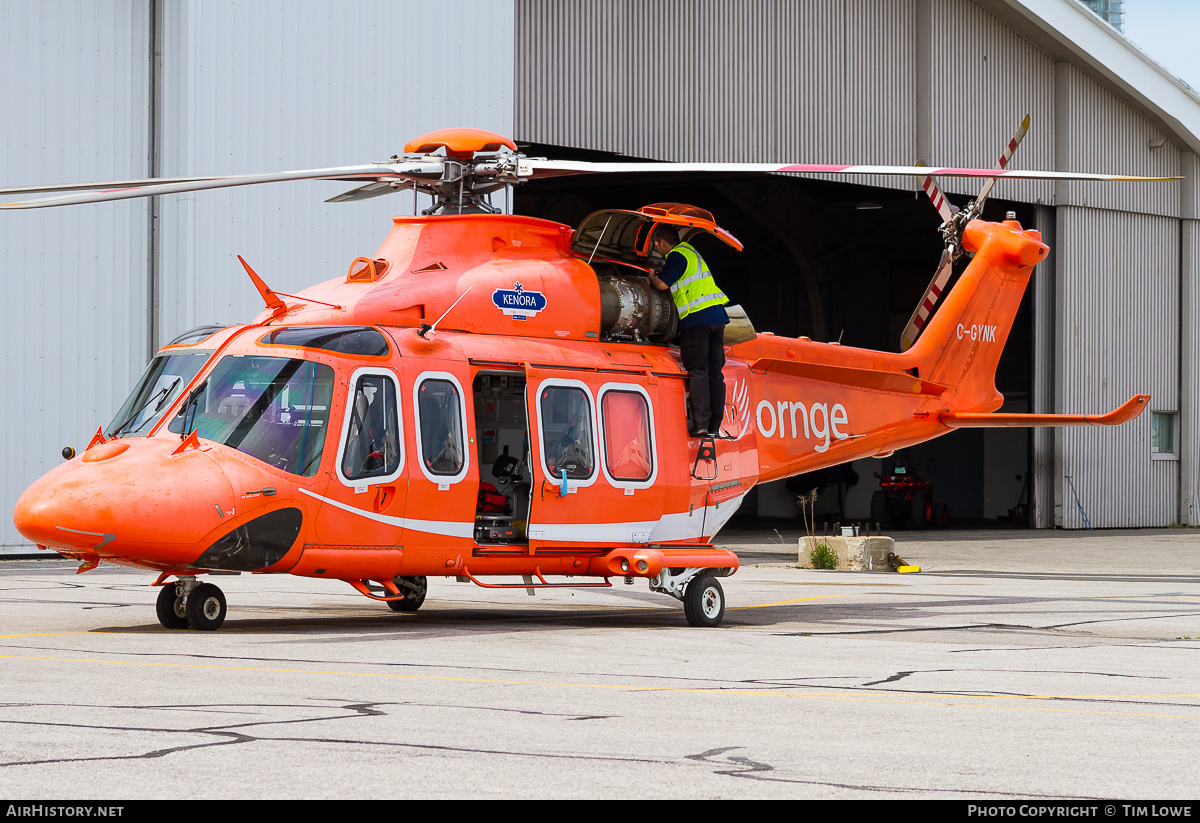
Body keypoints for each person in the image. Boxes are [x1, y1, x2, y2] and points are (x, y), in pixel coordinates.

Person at [648, 225, 729, 437]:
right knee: (715, 373)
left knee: (698, 371)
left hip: (697, 320)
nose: (657, 248)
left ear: (663, 243)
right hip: (717, 318)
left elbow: (663, 285)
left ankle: (700, 425)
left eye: (657, 244)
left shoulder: (675, 255)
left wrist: (652, 277)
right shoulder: (691, 253)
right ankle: (714, 427)